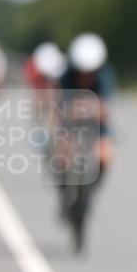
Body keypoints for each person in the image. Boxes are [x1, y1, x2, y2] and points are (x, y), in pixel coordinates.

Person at [58, 32, 116, 184]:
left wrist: (93, 110)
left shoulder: (104, 76)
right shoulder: (66, 77)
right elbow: (59, 107)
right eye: (81, 72)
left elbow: (105, 109)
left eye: (90, 73)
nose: (86, 76)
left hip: (96, 124)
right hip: (70, 123)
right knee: (62, 154)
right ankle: (64, 186)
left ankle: (92, 187)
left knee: (105, 156)